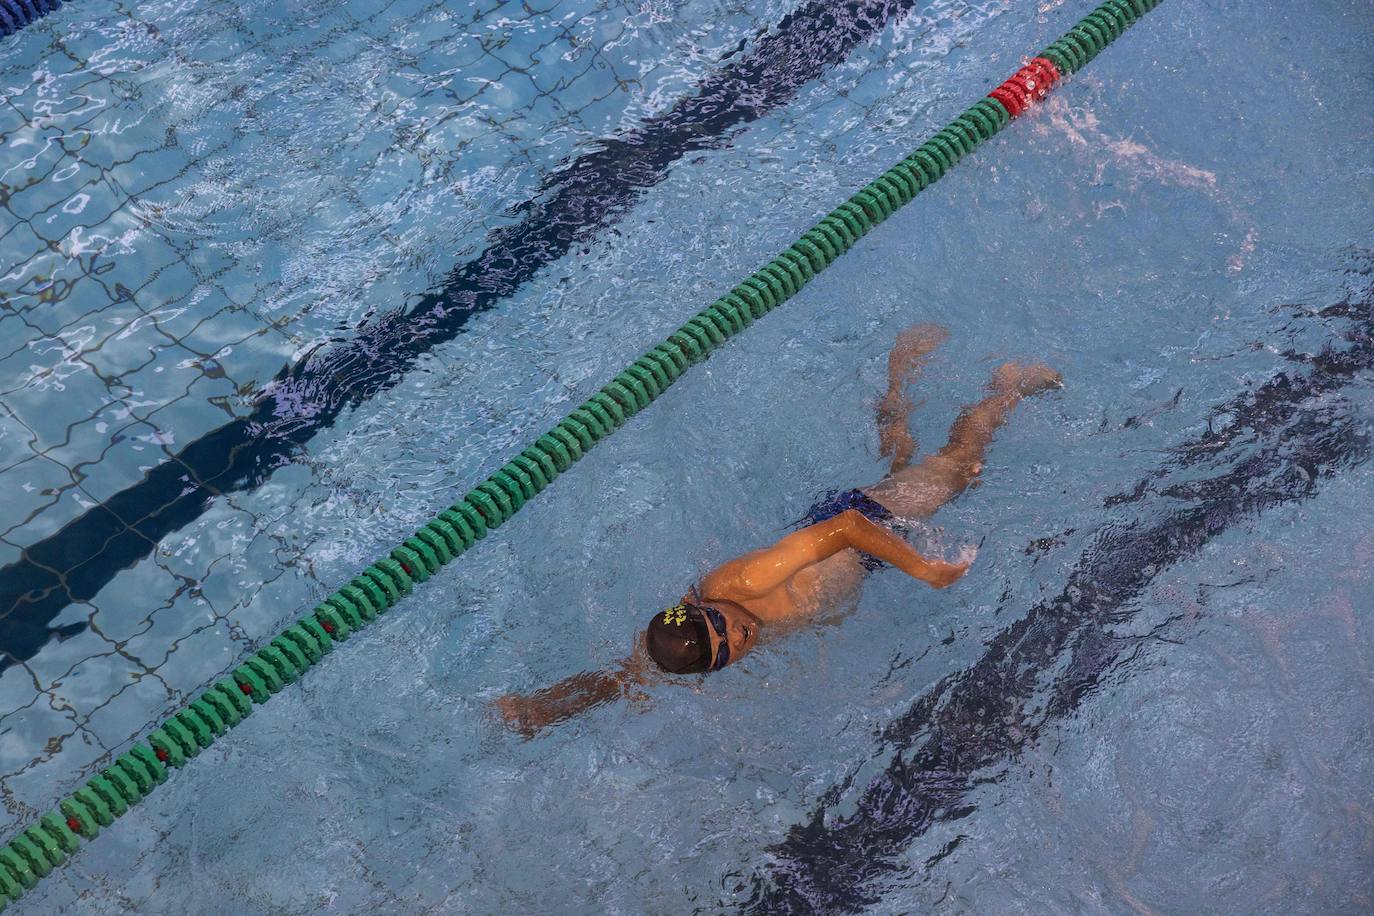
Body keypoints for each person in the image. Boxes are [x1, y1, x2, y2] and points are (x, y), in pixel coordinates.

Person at [495, 325, 1061, 736]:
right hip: (857, 558)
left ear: (701, 608)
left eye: (722, 628)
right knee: (912, 471)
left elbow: (846, 526)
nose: (738, 640)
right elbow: (628, 674)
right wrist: (544, 710)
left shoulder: (744, 582)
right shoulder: (682, 645)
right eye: (725, 654)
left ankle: (1007, 385)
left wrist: (925, 571)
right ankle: (895, 397)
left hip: (860, 523)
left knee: (962, 468)